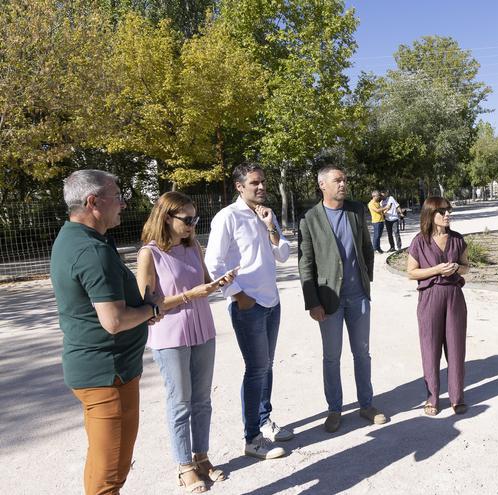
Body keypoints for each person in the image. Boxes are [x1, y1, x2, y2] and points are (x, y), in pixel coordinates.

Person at [50, 169, 162, 495]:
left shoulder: (76, 237)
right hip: (108, 376)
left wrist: (140, 313)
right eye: (117, 196)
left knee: (104, 467)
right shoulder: (91, 251)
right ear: (92, 201)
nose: (124, 203)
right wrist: (150, 310)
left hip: (103, 372)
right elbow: (113, 321)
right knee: (109, 476)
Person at [136, 192, 235, 492]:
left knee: (202, 400)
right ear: (166, 217)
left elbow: (204, 280)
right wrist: (189, 296)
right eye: (187, 219)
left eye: (196, 219)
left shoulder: (194, 246)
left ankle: (202, 457)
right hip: (171, 336)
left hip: (203, 330)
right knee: (180, 402)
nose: (193, 225)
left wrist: (220, 282)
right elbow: (146, 303)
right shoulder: (149, 254)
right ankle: (184, 466)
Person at [204, 163, 293, 460]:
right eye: (254, 183)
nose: (261, 187)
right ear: (239, 187)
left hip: (271, 303)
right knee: (256, 370)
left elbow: (282, 255)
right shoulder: (227, 218)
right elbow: (213, 264)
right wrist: (238, 295)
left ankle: (264, 420)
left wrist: (270, 227)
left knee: (266, 366)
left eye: (263, 182)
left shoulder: (267, 214)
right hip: (248, 306)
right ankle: (252, 437)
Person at [298, 165, 388, 433]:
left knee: (362, 353)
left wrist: (365, 278)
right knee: (331, 357)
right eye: (337, 180)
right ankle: (335, 409)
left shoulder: (356, 210)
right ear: (322, 184)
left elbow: (365, 247)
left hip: (358, 295)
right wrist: (312, 301)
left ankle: (367, 404)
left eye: (345, 179)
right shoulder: (310, 218)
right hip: (328, 300)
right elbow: (306, 263)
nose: (343, 184)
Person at [406, 197, 469, 417]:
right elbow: (411, 272)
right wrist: (436, 270)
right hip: (430, 297)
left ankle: (457, 397)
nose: (448, 215)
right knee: (430, 348)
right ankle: (432, 397)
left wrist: (456, 268)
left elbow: (466, 267)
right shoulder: (419, 241)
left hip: (454, 296)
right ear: (431, 215)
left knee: (456, 347)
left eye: (449, 211)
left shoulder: (458, 239)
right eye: (442, 212)